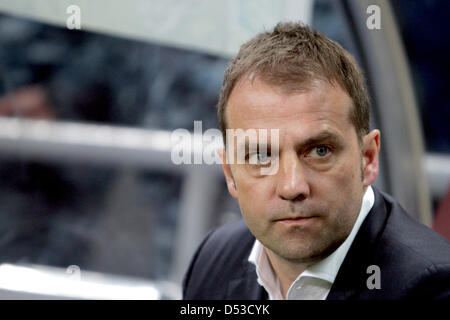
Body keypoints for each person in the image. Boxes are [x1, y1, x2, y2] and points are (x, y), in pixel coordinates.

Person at [182, 22, 450, 300]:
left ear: (367, 158)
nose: (293, 186)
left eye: (320, 150)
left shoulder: (431, 290)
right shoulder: (213, 261)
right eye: (261, 156)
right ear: (230, 173)